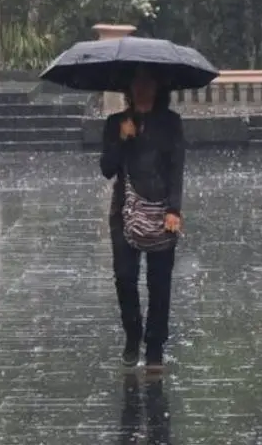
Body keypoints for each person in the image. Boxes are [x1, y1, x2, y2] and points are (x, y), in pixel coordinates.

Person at [100, 65, 185, 371]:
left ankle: (155, 345)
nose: (142, 87)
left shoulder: (171, 123)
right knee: (124, 277)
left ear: (157, 87)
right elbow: (106, 169)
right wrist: (122, 139)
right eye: (136, 82)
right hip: (123, 212)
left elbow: (177, 167)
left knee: (160, 281)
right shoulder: (116, 123)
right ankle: (133, 335)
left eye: (148, 82)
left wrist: (175, 208)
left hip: (163, 210)